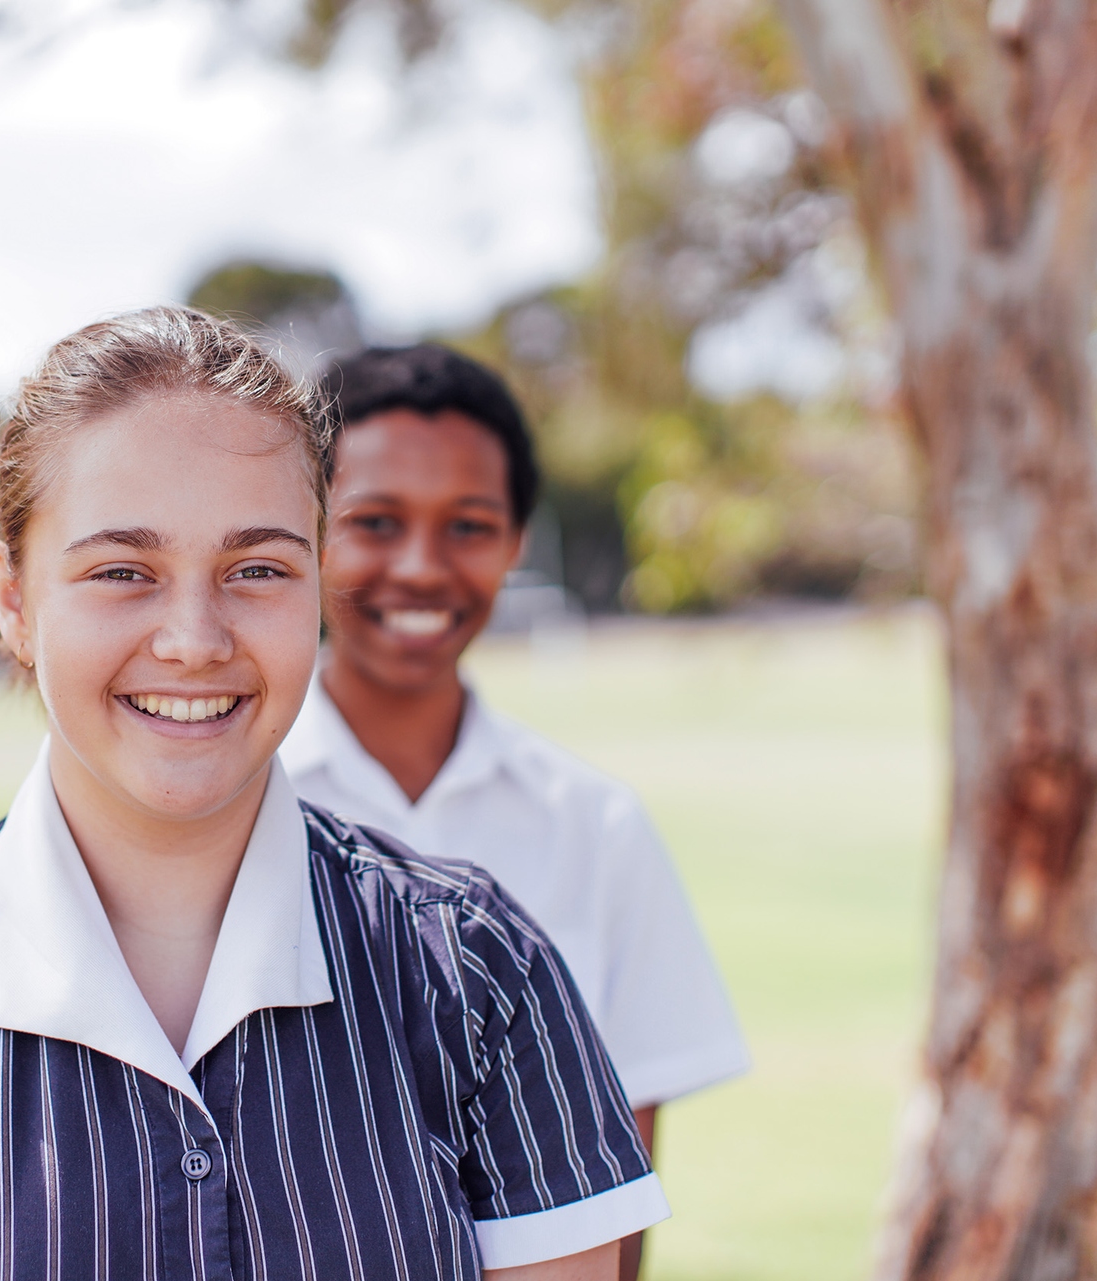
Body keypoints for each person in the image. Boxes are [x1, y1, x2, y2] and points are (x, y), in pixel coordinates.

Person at [0, 307, 667, 1281]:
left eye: (258, 567)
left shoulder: (484, 970)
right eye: (123, 571)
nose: (194, 638)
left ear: (320, 583)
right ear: (14, 598)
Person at [280, 343, 750, 1281]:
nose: (421, 567)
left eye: (469, 525)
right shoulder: (224, 809)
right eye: (375, 521)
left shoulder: (596, 829)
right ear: (309, 526)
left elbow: (618, 1189)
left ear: (517, 539)